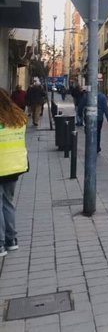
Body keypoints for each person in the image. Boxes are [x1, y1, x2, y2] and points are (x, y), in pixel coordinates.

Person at [0, 88, 30, 255]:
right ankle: (11, 239)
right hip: (14, 167)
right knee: (8, 203)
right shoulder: (18, 119)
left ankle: (0, 244)